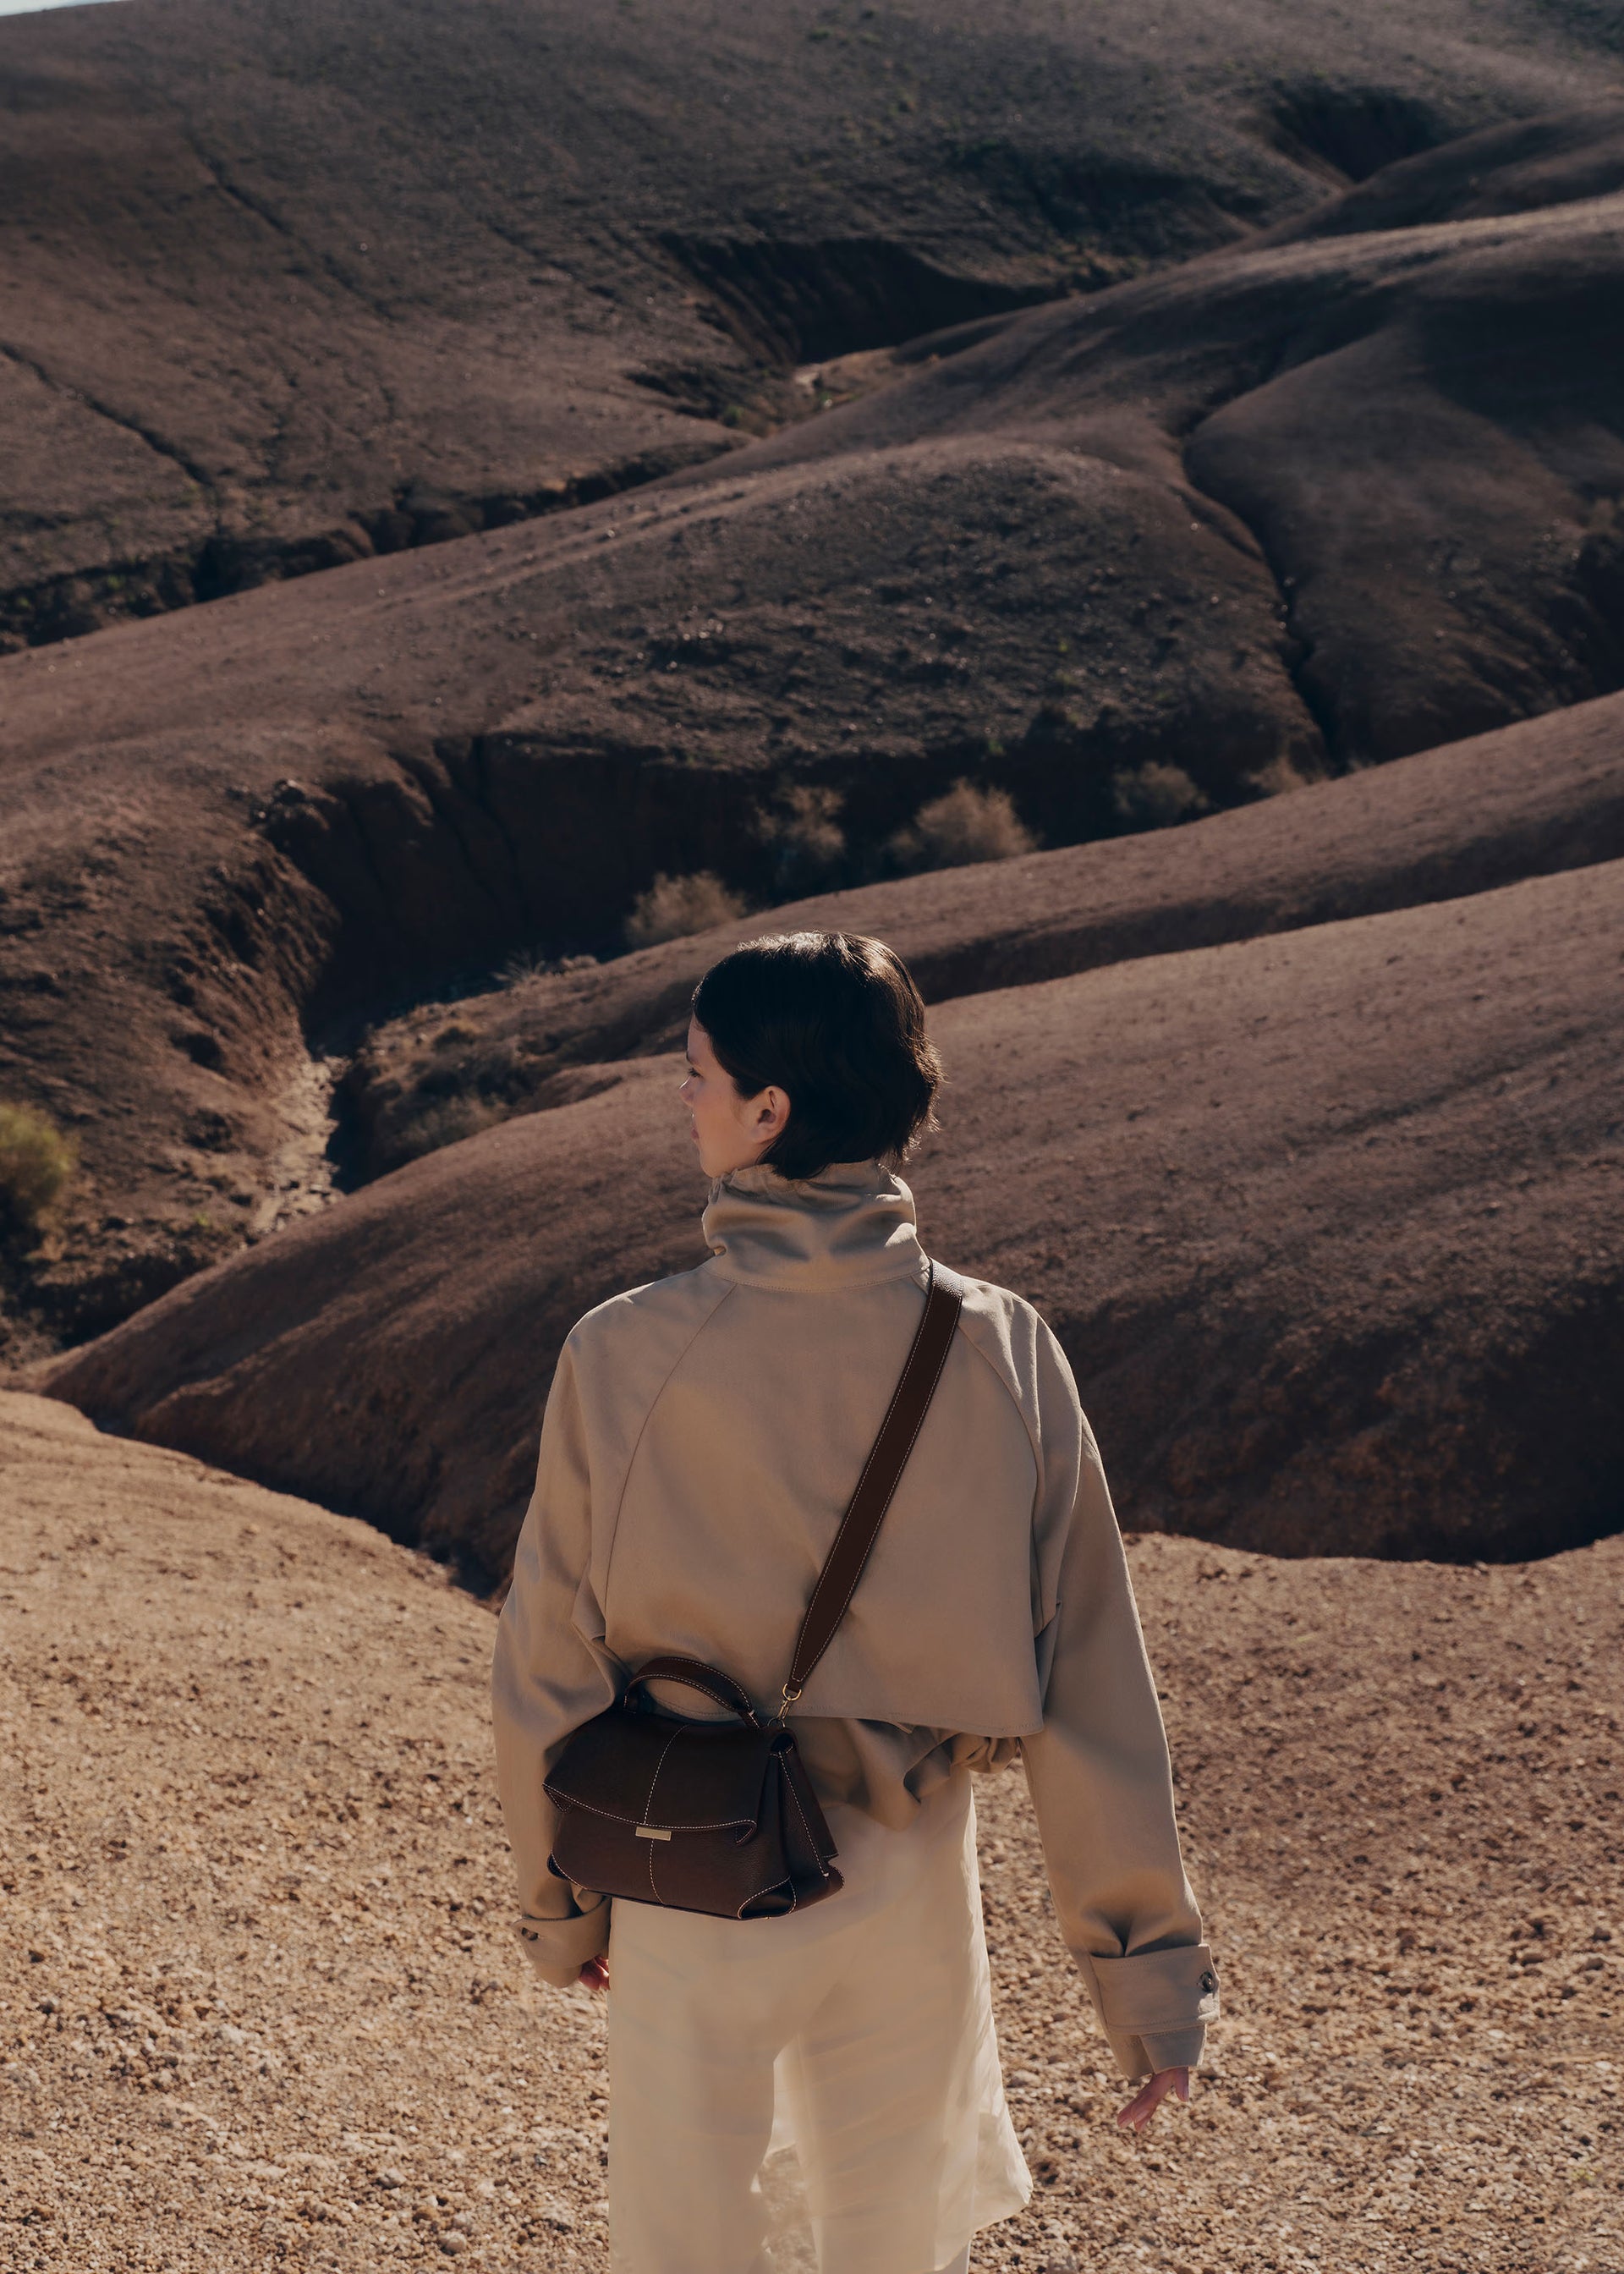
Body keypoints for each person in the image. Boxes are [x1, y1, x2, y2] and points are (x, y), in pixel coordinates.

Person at [491, 929, 1218, 2274]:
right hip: (908, 1874)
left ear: (769, 1111)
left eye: (699, 1073)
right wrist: (1146, 1982)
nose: (684, 1097)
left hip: (691, 1866)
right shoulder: (1002, 1347)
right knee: (889, 2248)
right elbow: (1092, 1676)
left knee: (688, 2250)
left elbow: (547, 1659)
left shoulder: (624, 1350)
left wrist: (561, 1905)